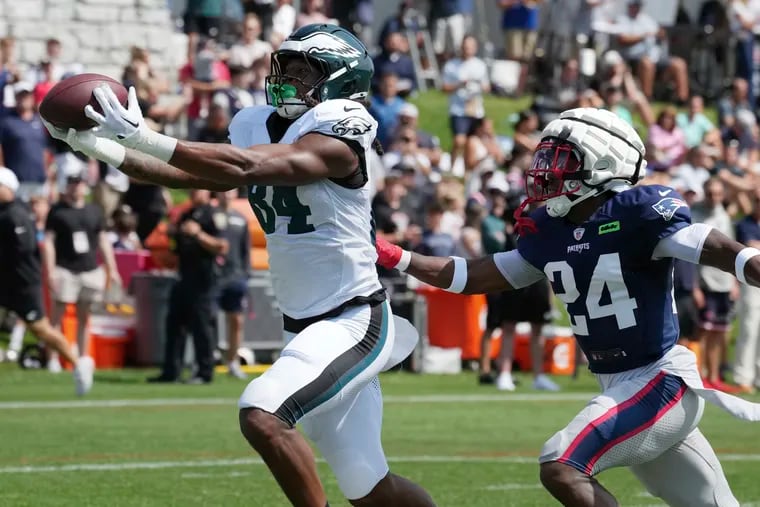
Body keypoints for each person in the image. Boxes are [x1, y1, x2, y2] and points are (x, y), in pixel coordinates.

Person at [44, 23, 435, 507]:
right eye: (286, 67)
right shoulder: (254, 121)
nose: (289, 79)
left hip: (355, 319)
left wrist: (147, 135)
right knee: (369, 487)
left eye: (304, 71)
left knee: (262, 412)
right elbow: (186, 174)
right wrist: (98, 146)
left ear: (340, 80)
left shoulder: (343, 127)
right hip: (303, 327)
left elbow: (253, 167)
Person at [374, 107, 760, 506]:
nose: (544, 167)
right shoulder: (550, 231)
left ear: (605, 160)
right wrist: (395, 256)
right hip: (622, 386)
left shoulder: (639, 210)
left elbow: (722, 249)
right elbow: (474, 275)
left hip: (660, 382)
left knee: (562, 463)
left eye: (561, 157)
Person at [0, 167, 93, 395]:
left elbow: (22, 249)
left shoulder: (16, 215)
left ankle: (77, 363)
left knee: (41, 329)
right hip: (5, 281)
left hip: (22, 284)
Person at [43, 168, 120, 373]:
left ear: (85, 186)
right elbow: (49, 242)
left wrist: (111, 268)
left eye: (79, 183)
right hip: (65, 268)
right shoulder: (57, 210)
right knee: (57, 316)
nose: (76, 187)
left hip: (89, 269)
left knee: (84, 316)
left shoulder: (94, 210)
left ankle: (83, 357)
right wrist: (50, 270)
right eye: (72, 183)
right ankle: (53, 359)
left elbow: (103, 240)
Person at [149, 188, 229, 384]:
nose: (193, 193)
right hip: (183, 276)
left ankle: (204, 372)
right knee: (174, 325)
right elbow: (176, 249)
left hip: (204, 279)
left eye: (197, 189)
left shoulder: (214, 214)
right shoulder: (185, 214)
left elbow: (223, 246)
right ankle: (171, 371)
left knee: (202, 327)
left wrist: (199, 234)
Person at [215, 188, 252, 379]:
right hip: (213, 278)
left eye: (230, 189)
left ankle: (233, 361)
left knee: (236, 321)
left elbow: (246, 250)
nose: (226, 193)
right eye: (223, 190)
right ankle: (208, 359)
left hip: (235, 277)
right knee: (208, 320)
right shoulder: (210, 215)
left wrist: (246, 275)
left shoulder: (241, 219)